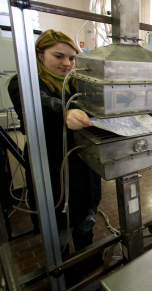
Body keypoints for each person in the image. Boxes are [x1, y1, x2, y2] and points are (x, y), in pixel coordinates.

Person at [8, 29, 101, 253]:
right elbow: (41, 103)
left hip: (83, 165)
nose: (67, 63)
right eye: (58, 56)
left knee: (86, 220)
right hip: (51, 165)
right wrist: (66, 111)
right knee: (58, 230)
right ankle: (62, 273)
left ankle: (87, 260)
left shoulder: (78, 83)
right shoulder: (25, 82)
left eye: (71, 57)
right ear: (40, 54)